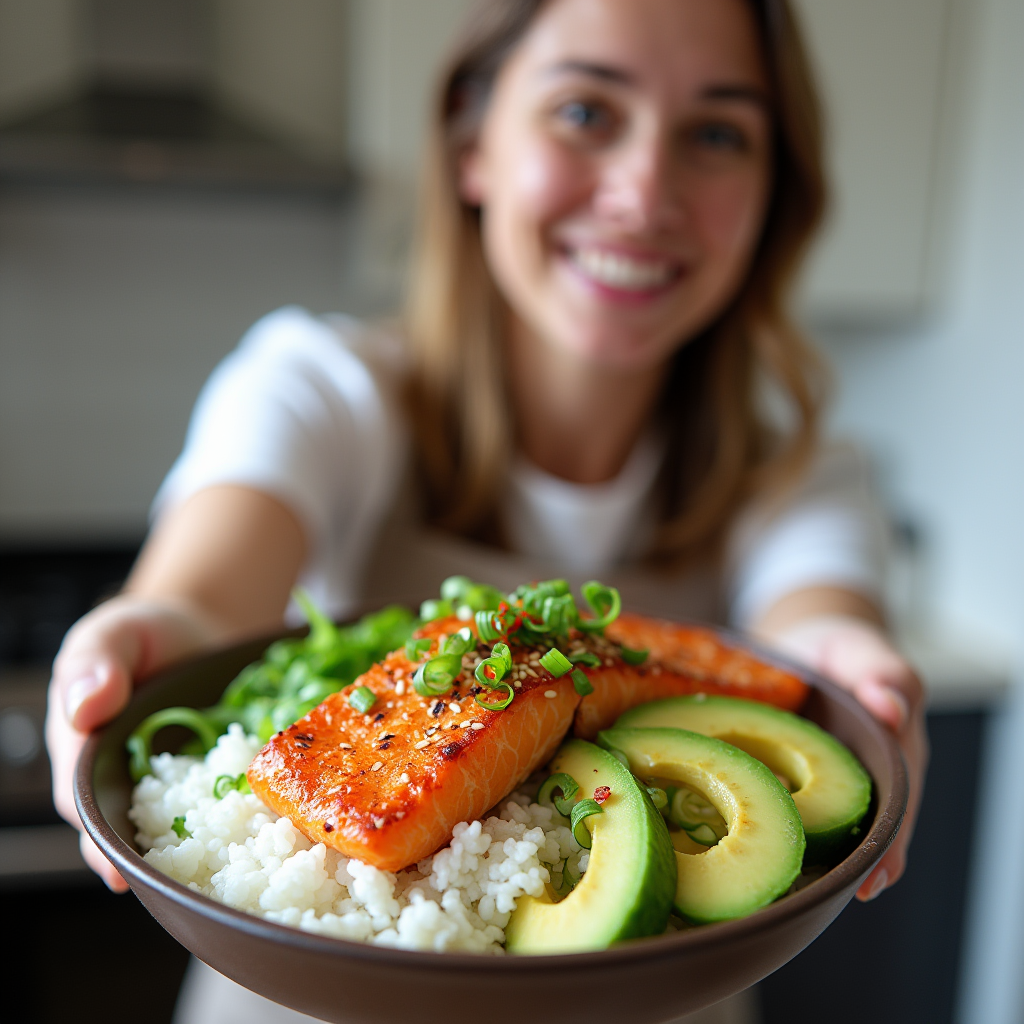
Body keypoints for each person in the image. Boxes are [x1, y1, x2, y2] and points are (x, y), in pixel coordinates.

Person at [45, 1, 926, 1021]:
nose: (643, 191)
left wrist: (863, 677)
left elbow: (817, 628)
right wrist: (151, 633)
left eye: (717, 133)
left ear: (774, 193)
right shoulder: (319, 386)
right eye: (586, 112)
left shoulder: (803, 471)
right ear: (473, 145)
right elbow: (201, 593)